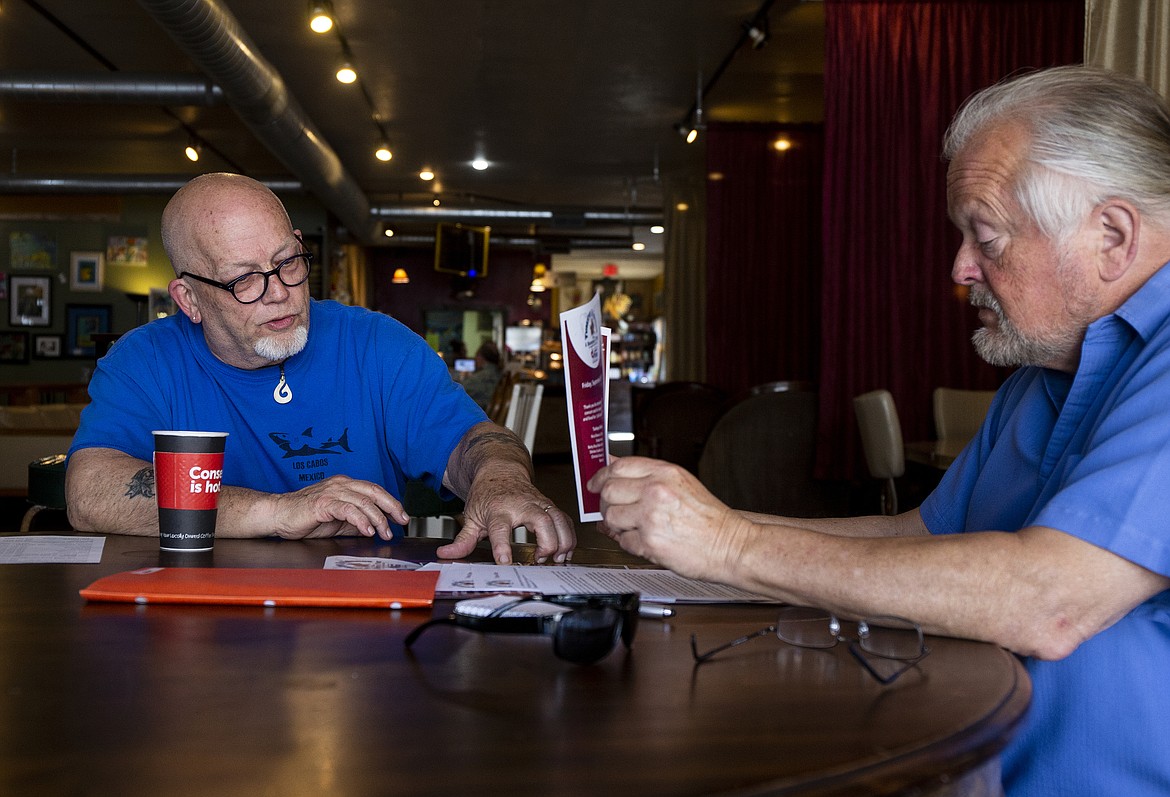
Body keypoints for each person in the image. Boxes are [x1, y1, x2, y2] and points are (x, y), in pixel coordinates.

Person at [588, 65, 1170, 796]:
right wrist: (701, 528)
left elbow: (1048, 600)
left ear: (1112, 236)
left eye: (986, 235)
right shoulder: (1044, 370)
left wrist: (728, 544)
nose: (960, 267)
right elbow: (922, 536)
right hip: (958, 764)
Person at [65, 172, 575, 566]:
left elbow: (474, 441)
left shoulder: (377, 344)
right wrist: (278, 511)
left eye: (288, 261)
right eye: (244, 280)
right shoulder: (143, 361)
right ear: (189, 299)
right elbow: (89, 492)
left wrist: (500, 479)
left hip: (363, 620)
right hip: (199, 615)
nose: (279, 292)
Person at [462, 340, 503, 410]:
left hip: (479, 412)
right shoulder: (498, 373)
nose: (475, 359)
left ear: (481, 357)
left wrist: (464, 378)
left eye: (476, 356)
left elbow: (459, 390)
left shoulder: (480, 378)